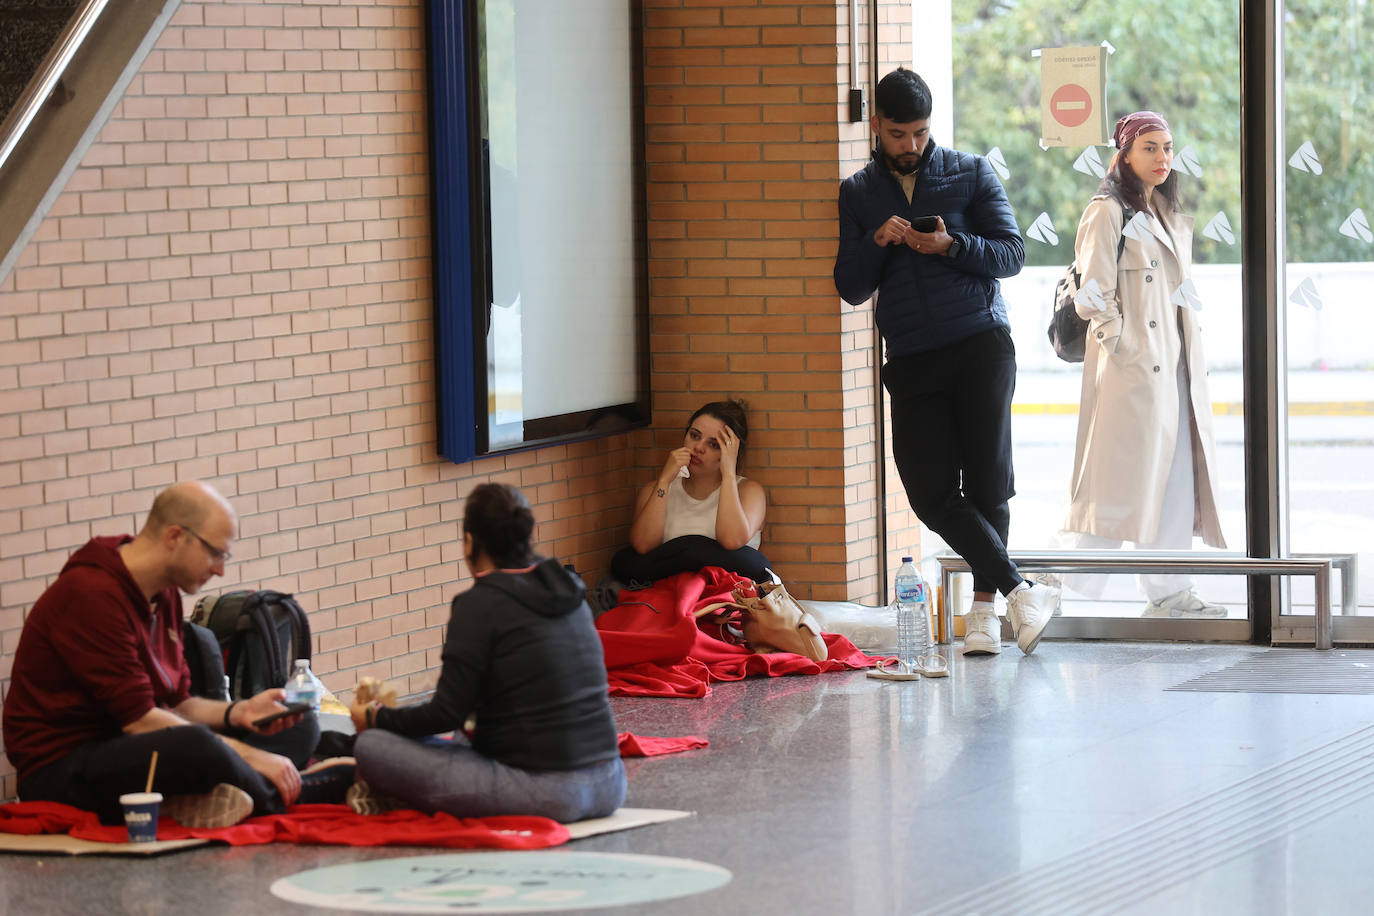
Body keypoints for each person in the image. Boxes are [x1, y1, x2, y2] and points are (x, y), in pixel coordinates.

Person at [833, 67, 1059, 657]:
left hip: (979, 344)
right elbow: (850, 288)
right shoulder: (858, 193)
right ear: (877, 125)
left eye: (921, 134)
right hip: (910, 358)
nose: (911, 146)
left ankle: (984, 616)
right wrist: (876, 242)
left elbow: (1012, 254)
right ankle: (1021, 589)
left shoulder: (969, 171)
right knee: (929, 491)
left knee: (989, 484)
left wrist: (950, 246)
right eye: (899, 134)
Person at [1, 481, 349, 828]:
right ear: (174, 536)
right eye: (215, 553)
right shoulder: (90, 595)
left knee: (298, 722)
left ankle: (231, 793)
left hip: (137, 746)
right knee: (198, 745)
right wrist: (250, 755)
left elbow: (179, 705)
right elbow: (139, 719)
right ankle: (301, 790)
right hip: (63, 769)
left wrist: (240, 712)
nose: (220, 570)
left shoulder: (163, 592)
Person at [348, 483, 625, 821]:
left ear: (470, 542)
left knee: (372, 747)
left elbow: (445, 714)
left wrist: (375, 717)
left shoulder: (478, 604)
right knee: (461, 742)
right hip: (610, 783)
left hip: (547, 793)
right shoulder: (567, 589)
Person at [1060, 110, 1227, 616]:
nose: (1162, 158)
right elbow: (1092, 293)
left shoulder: (1162, 210)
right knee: (1119, 485)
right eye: (1150, 147)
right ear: (1125, 153)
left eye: (1168, 148)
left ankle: (1168, 591)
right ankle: (1061, 584)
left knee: (1175, 482)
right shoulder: (1107, 209)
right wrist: (1123, 347)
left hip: (1173, 369)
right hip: (1134, 373)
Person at [609, 399, 771, 583]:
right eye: (694, 436)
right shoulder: (655, 490)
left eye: (714, 445)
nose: (698, 448)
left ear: (733, 452)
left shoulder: (749, 491)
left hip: (725, 600)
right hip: (667, 595)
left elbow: (731, 541)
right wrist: (664, 481)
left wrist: (728, 474)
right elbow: (642, 546)